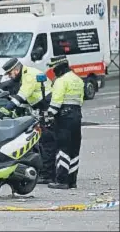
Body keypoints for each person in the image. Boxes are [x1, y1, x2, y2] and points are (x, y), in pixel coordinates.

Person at [0, 58, 56, 184]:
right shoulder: (25, 75)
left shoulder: (29, 75)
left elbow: (21, 96)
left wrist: (5, 110)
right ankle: (48, 172)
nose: (10, 76)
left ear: (17, 69)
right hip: (42, 107)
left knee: (47, 142)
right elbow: (26, 99)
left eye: (10, 73)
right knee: (44, 142)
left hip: (47, 107)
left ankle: (48, 175)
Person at [46, 56, 84, 190]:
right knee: (74, 149)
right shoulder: (78, 80)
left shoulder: (61, 81)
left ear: (59, 67)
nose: (52, 71)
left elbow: (56, 101)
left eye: (53, 68)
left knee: (62, 148)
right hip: (76, 115)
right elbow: (80, 101)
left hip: (63, 117)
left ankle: (61, 180)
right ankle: (72, 181)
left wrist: (49, 116)